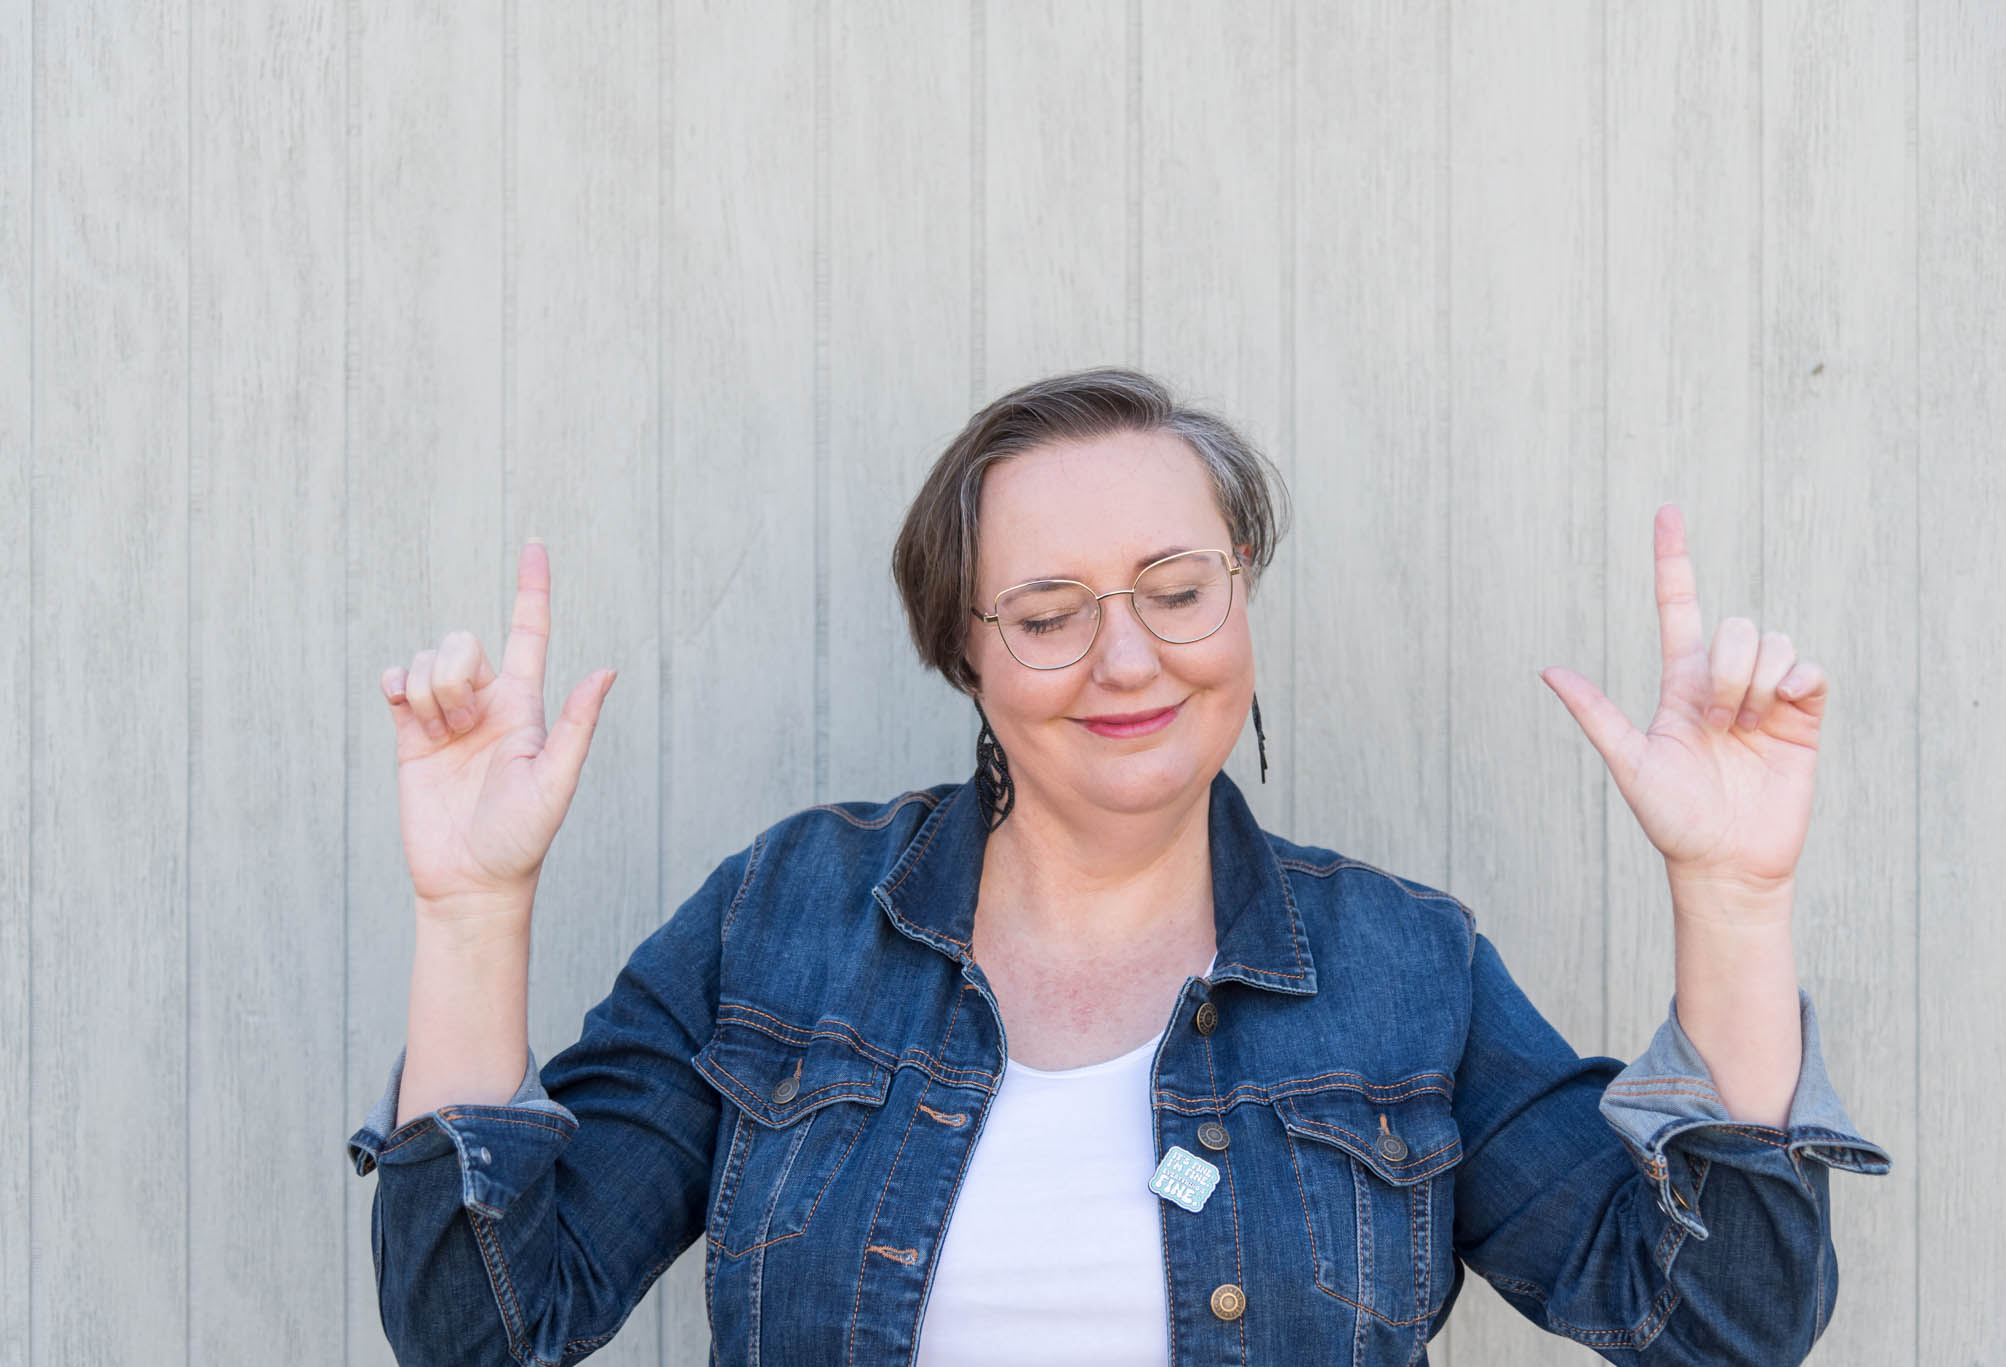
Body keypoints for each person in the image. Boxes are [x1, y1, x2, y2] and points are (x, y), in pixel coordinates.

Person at [346, 367, 1888, 1365]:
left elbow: (1721, 1328)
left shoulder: (1403, 968)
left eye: (1175, 588)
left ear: (1241, 596)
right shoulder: (783, 920)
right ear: (964, 650)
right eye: (1048, 613)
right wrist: (471, 911)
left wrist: (1734, 898)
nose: (1129, 659)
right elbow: (482, 1331)